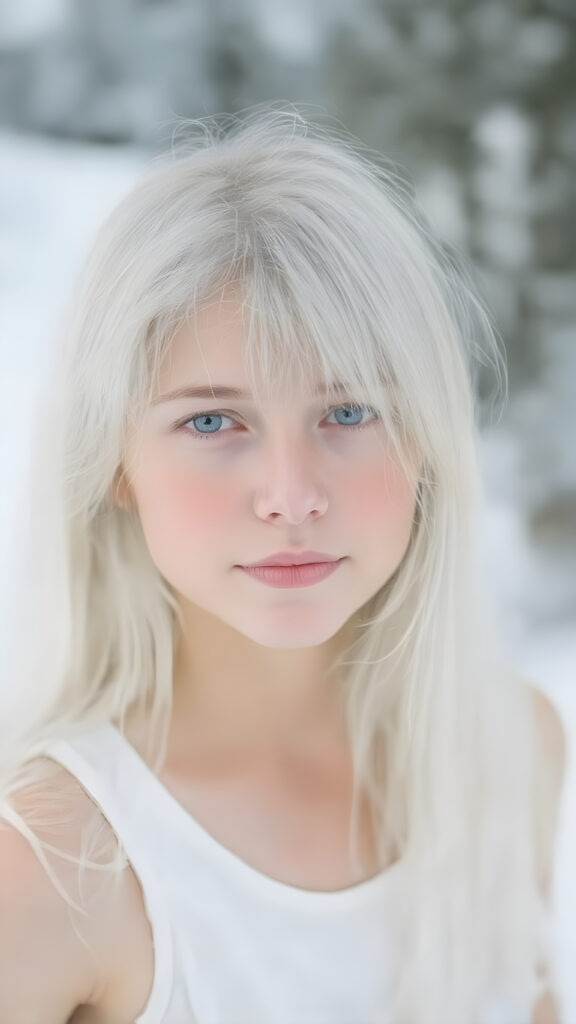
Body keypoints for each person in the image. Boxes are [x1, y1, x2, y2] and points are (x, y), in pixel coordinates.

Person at [0, 105, 566, 1024]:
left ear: (424, 440)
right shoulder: (51, 869)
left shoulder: (511, 747)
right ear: (114, 466)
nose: (292, 494)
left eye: (347, 413)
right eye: (213, 422)